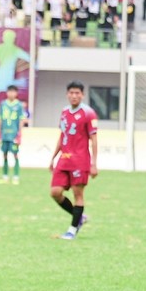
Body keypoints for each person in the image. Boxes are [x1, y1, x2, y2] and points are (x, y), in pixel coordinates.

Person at [50, 81, 98, 240]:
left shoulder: (88, 113)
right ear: (67, 94)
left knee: (78, 195)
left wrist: (94, 164)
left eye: (77, 93)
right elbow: (62, 135)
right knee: (55, 192)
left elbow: (94, 139)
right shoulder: (64, 112)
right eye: (71, 93)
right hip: (64, 160)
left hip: (80, 161)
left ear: (82, 95)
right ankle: (80, 217)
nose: (74, 96)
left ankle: (72, 229)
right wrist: (53, 157)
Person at [0, 84, 29, 185]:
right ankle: (5, 177)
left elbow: (21, 120)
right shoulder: (3, 104)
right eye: (9, 91)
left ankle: (16, 177)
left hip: (14, 135)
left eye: (13, 91)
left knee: (15, 155)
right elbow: (0, 119)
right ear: (7, 93)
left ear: (16, 93)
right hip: (4, 135)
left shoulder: (19, 105)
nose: (11, 93)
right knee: (4, 155)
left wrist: (19, 134)